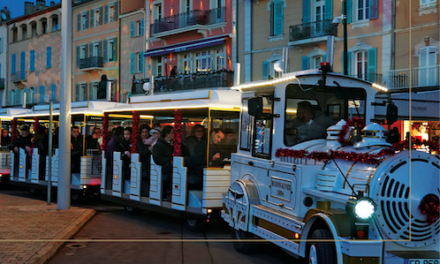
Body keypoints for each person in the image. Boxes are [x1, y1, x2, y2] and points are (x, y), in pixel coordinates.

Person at [152, 125, 174, 200]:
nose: (174, 134)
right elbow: (157, 159)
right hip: (164, 168)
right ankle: (169, 192)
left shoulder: (174, 144)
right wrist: (169, 161)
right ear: (167, 134)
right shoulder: (158, 145)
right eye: (172, 133)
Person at [136, 124, 151, 197]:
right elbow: (141, 155)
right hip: (143, 166)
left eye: (146, 132)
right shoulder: (139, 143)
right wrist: (148, 149)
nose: (144, 134)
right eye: (143, 132)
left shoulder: (151, 142)